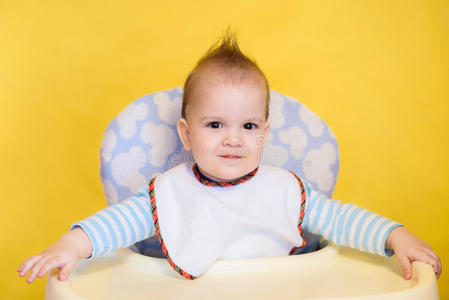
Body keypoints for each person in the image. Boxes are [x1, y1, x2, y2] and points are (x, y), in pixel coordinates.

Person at [18, 31, 442, 283]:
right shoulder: (170, 192)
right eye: (215, 125)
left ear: (265, 133)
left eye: (249, 126)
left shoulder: (285, 190)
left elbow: (342, 220)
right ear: (186, 133)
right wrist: (72, 245)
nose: (233, 140)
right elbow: (118, 224)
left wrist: (394, 237)